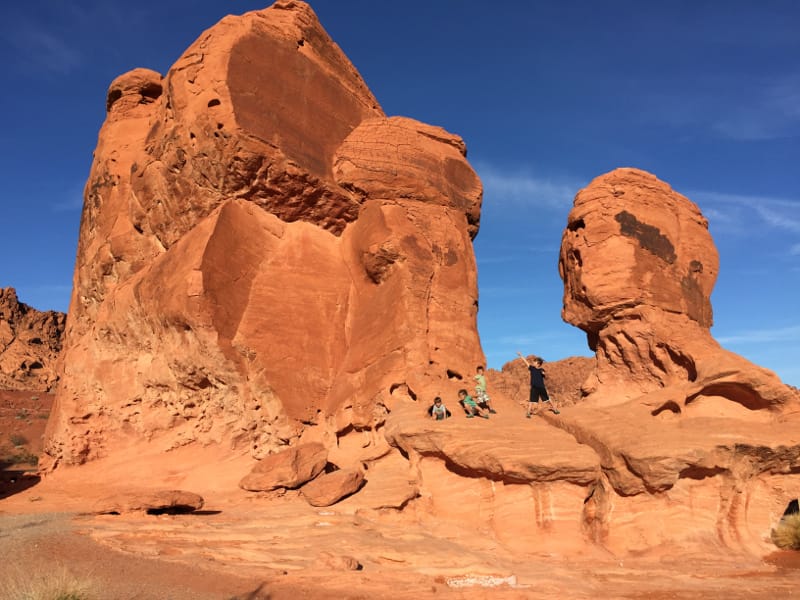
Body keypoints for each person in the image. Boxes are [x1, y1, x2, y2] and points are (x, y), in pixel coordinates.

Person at [516, 351, 560, 417]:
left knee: (548, 399)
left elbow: (544, 374)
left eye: (535, 362)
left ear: (538, 364)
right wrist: (521, 355)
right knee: (531, 401)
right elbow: (526, 362)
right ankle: (528, 413)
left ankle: (555, 409)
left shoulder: (541, 369)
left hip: (541, 387)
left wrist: (543, 373)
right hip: (534, 387)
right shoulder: (532, 368)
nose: (533, 362)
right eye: (534, 362)